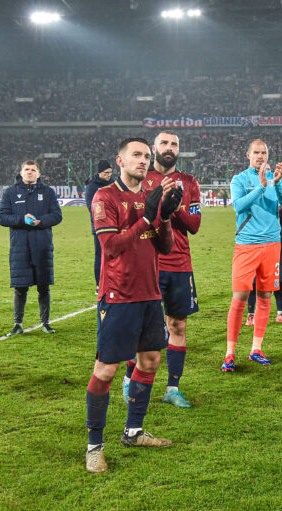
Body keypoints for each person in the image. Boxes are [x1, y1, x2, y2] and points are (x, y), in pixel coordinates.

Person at [84, 137, 183, 473]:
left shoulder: (149, 197)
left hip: (150, 294)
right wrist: (147, 218)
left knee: (151, 359)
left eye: (147, 156)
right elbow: (111, 246)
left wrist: (165, 217)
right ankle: (94, 446)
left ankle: (134, 431)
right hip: (118, 296)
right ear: (121, 160)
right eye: (136, 155)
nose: (144, 160)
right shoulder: (105, 197)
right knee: (107, 369)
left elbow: (166, 248)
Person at [133, 130, 202, 409]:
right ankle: (131, 382)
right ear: (154, 147)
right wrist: (162, 207)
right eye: (164, 143)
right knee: (141, 327)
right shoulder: (143, 180)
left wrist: (172, 209)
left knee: (177, 325)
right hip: (148, 264)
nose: (169, 148)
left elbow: (194, 226)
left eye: (174, 144)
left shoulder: (189, 182)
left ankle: (172, 388)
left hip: (180, 264)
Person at [222, 139, 282, 371]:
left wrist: (278, 184)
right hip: (247, 245)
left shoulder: (274, 178)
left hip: (272, 245)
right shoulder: (240, 179)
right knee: (239, 299)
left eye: (264, 152)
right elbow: (238, 206)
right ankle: (230, 353)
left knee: (264, 298)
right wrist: (262, 186)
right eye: (256, 152)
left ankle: (256, 348)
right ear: (248, 154)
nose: (261, 156)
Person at [0, 160, 62, 336]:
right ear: (21, 172)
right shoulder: (10, 193)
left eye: (33, 170)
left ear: (39, 174)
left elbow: (57, 215)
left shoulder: (48, 192)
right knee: (20, 287)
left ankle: (45, 323)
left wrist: (41, 221)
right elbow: (2, 217)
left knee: (43, 286)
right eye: (27, 169)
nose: (30, 172)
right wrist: (20, 219)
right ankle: (17, 324)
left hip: (42, 246)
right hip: (20, 247)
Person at [246, 206, 282, 325]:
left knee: (279, 278)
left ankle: (280, 314)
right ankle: (251, 315)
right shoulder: (252, 194)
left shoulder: (276, 195)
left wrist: (279, 209)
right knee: (254, 280)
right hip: (256, 242)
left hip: (276, 243)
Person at [85, 160, 113, 288]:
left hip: (114, 225)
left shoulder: (113, 184)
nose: (109, 175)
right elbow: (91, 206)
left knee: (113, 254)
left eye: (110, 173)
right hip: (99, 227)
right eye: (106, 173)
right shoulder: (92, 186)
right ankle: (99, 284)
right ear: (100, 172)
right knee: (100, 254)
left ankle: (112, 281)